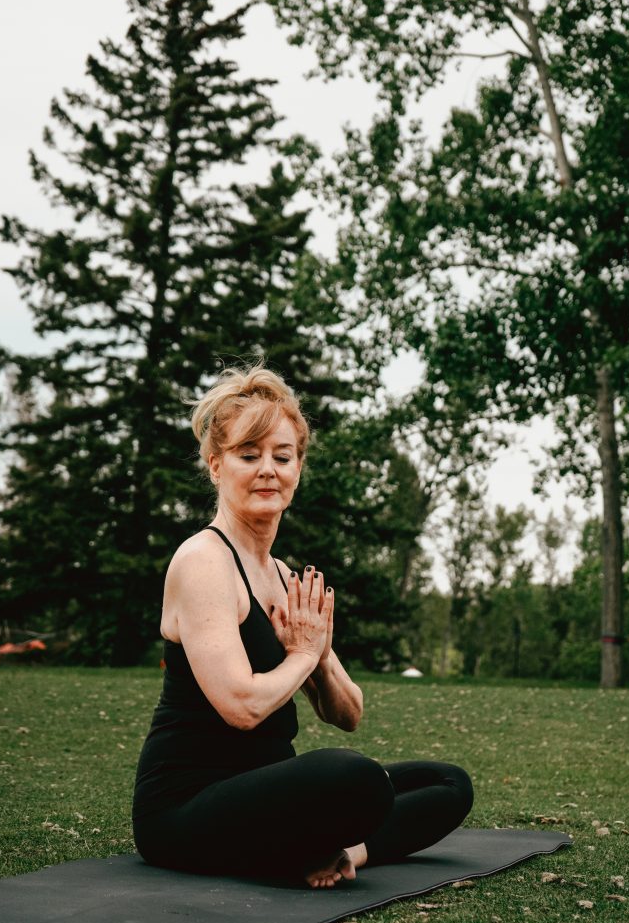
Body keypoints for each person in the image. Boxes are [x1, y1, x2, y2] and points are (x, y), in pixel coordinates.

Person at [132, 363, 473, 888]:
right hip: (185, 808)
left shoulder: (283, 576)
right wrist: (303, 656)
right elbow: (241, 706)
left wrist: (318, 656)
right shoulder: (203, 562)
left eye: (282, 456)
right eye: (250, 455)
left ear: (298, 467)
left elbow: (349, 714)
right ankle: (304, 846)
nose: (268, 469)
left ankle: (340, 853)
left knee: (447, 783)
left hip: (268, 790)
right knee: (355, 779)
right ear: (216, 465)